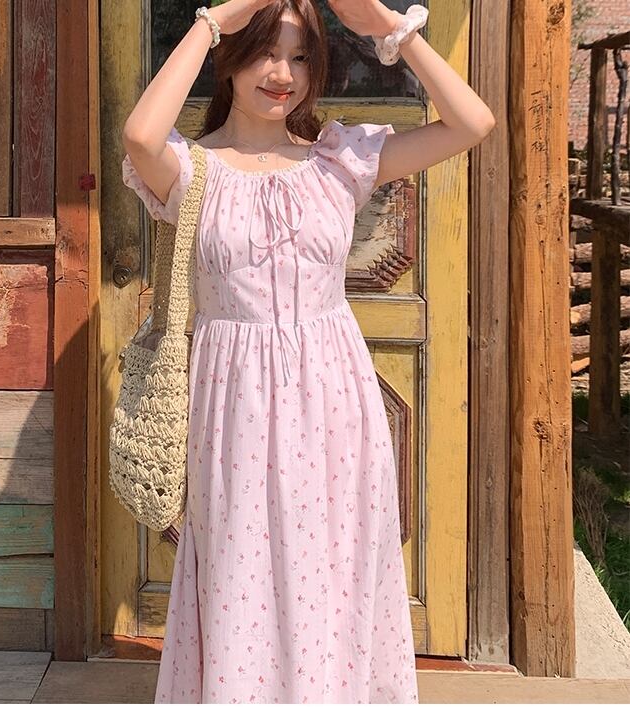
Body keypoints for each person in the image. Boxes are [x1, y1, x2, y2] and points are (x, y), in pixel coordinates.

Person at [121, 0, 495, 702]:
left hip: (334, 402)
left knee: (332, 570)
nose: (282, 74)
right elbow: (140, 133)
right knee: (239, 575)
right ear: (232, 58)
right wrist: (210, 22)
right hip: (231, 406)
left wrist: (388, 29)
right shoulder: (193, 171)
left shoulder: (337, 160)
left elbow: (471, 123)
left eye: (299, 57)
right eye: (266, 52)